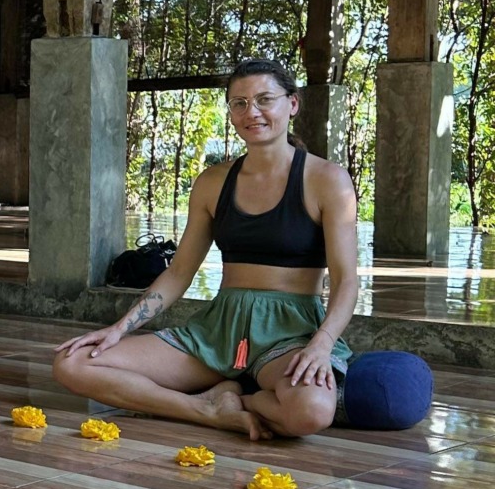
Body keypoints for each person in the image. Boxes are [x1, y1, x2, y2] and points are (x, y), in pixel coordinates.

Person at [54, 57, 358, 440]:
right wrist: (119, 329)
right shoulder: (213, 182)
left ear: (292, 104)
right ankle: (206, 408)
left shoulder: (327, 180)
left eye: (265, 100)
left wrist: (321, 345)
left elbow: (346, 281)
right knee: (72, 363)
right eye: (240, 103)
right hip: (218, 332)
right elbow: (180, 272)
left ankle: (241, 399)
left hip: (290, 333)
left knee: (311, 412)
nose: (252, 112)